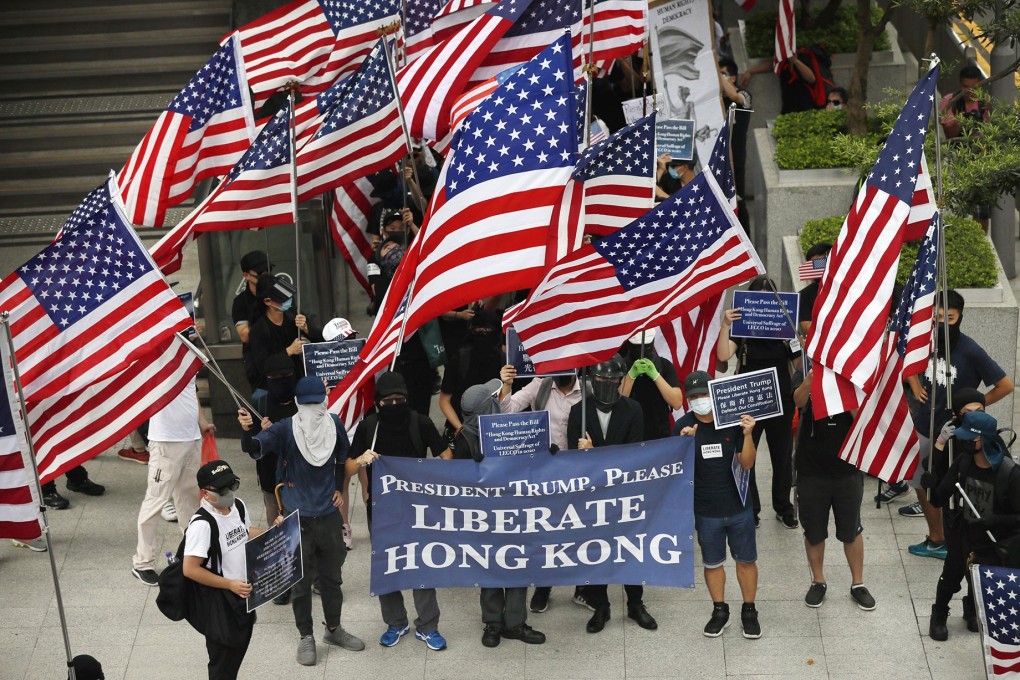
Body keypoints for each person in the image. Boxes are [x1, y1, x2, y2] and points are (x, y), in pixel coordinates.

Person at [238, 377, 364, 666]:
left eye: (316, 403)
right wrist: (247, 430)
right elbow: (255, 448)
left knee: (332, 579)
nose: (313, 410)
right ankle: (306, 636)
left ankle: (334, 629)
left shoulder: (335, 425)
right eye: (308, 404)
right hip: (297, 520)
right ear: (298, 404)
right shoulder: (285, 429)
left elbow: (342, 456)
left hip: (329, 517)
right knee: (300, 583)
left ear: (325, 401)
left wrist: (337, 486)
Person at [892, 290, 1013, 560]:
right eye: (936, 318)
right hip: (925, 427)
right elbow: (904, 359)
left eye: (949, 318)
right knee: (921, 481)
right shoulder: (925, 342)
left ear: (960, 317)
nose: (942, 323)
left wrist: (975, 406)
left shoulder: (970, 350)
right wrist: (914, 383)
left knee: (957, 487)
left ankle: (963, 541)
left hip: (958, 434)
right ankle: (936, 538)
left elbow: (1005, 385)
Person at [346, 371, 452, 651]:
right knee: (387, 564)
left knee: (422, 564)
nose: (394, 404)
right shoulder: (369, 427)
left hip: (418, 508)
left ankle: (428, 626)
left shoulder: (420, 422)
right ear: (378, 402)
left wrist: (433, 478)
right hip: (382, 509)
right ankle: (396, 623)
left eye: (399, 399)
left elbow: (446, 457)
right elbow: (347, 468)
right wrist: (361, 460)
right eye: (389, 400)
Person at [568, 357, 657, 633]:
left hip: (625, 493)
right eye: (602, 379)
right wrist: (583, 453)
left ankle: (635, 604)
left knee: (630, 548)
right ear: (592, 380)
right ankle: (601, 606)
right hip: (593, 497)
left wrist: (595, 454)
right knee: (597, 551)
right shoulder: (578, 411)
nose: (607, 383)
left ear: (620, 381)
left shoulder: (633, 409)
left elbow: (634, 455)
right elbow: (572, 459)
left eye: (612, 379)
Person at [456, 379, 546, 648]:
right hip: (484, 519)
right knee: (490, 569)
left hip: (515, 511)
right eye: (494, 398)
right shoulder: (464, 442)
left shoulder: (512, 429)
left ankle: (515, 623)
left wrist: (548, 454)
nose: (499, 400)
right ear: (486, 407)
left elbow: (531, 461)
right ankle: (493, 623)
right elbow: (459, 487)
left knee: (518, 564)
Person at [674, 370, 761, 639]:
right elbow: (676, 471)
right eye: (694, 397)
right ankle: (719, 610)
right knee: (712, 563)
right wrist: (684, 444)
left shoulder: (733, 420)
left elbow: (747, 463)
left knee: (746, 560)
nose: (699, 400)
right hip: (706, 510)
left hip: (739, 507)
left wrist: (748, 434)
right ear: (688, 400)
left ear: (713, 394)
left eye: (703, 394)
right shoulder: (682, 426)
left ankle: (749, 611)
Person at [923, 411, 1020, 640]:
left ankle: (972, 609)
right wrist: (931, 485)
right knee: (951, 574)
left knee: (983, 581)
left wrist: (994, 521)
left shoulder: (1010, 474)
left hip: (995, 542)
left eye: (969, 437)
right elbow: (938, 498)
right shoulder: (963, 462)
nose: (963, 441)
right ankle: (939, 614)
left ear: (983, 439)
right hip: (964, 534)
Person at [497, 363, 583, 613]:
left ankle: (584, 587)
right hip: (546, 472)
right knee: (547, 532)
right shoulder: (540, 385)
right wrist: (506, 386)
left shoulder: (588, 390)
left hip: (579, 471)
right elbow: (507, 410)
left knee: (581, 530)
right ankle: (544, 586)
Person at [716, 277, 799, 529]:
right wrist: (725, 325)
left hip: (781, 400)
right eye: (758, 297)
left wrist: (800, 343)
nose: (763, 303)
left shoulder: (785, 326)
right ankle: (751, 508)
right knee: (746, 454)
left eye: (768, 297)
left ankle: (783, 507)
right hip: (749, 400)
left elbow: (798, 365)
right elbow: (723, 355)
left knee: (782, 457)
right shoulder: (741, 328)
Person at [793, 368, 876, 611]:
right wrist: (810, 380)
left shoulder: (855, 375)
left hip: (847, 469)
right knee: (814, 531)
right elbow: (798, 401)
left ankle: (858, 584)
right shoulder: (805, 371)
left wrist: (846, 386)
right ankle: (818, 581)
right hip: (811, 470)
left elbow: (863, 418)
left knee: (852, 529)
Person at [183, 460, 265, 680]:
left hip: (242, 597)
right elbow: (190, 569)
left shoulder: (238, 507)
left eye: (232, 485)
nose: (229, 493)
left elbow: (244, 533)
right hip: (221, 603)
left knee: (235, 658)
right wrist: (229, 584)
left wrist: (276, 530)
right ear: (206, 493)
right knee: (222, 664)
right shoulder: (202, 525)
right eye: (222, 489)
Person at [131, 375, 211, 586]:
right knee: (156, 500)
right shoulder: (158, 359)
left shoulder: (188, 359)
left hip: (192, 438)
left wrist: (202, 421)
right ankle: (142, 562)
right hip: (165, 441)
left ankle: (190, 554)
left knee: (190, 501)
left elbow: (192, 389)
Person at [247, 274, 323, 393]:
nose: (288, 300)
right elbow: (263, 365)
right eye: (282, 298)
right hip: (275, 388)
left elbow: (320, 340)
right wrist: (289, 351)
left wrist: (306, 328)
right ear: (267, 301)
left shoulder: (292, 313)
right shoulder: (259, 329)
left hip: (298, 380)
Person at [619, 329, 683, 442]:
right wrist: (630, 375)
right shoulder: (620, 366)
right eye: (637, 347)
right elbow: (617, 403)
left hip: (659, 436)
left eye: (647, 346)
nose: (642, 350)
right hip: (629, 437)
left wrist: (655, 375)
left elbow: (677, 403)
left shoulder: (664, 365)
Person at [718, 57, 752, 231]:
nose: (719, 78)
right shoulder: (716, 99)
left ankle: (747, 240)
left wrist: (716, 74)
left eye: (723, 74)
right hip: (718, 159)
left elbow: (734, 96)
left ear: (732, 78)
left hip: (736, 159)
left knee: (738, 201)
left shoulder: (745, 95)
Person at [939, 65, 989, 140]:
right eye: (965, 87)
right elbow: (949, 135)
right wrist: (962, 121)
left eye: (973, 87)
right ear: (960, 84)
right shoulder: (949, 101)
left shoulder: (985, 102)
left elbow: (989, 132)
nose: (969, 91)